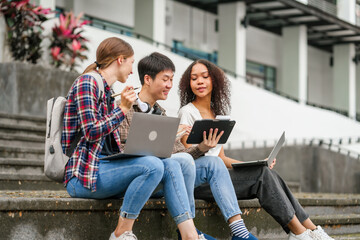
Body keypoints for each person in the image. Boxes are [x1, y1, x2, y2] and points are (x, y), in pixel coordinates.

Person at [178, 59, 335, 240]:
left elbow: (221, 158)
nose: (199, 82)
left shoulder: (217, 115)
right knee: (262, 176)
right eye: (194, 78)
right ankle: (299, 233)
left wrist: (252, 165)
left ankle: (313, 230)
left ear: (214, 80)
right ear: (188, 84)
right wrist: (203, 147)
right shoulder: (187, 112)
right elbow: (188, 157)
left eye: (205, 77)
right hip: (200, 182)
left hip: (219, 177)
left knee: (266, 172)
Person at [119, 52, 257, 240]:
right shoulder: (125, 108)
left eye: (171, 80)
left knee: (213, 163)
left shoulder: (162, 114)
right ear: (147, 79)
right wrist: (166, 141)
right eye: (165, 79)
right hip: (145, 178)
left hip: (170, 174)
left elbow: (183, 157)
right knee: (176, 163)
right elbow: (124, 153)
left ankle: (239, 231)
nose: (170, 85)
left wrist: (202, 147)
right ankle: (190, 233)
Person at [62, 37, 166, 240]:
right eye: (131, 63)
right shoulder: (87, 82)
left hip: (101, 167)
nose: (131, 70)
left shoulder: (107, 90)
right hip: (82, 175)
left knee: (166, 166)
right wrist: (123, 109)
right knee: (152, 167)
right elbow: (91, 132)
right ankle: (121, 233)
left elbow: (109, 144)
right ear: (120, 59)